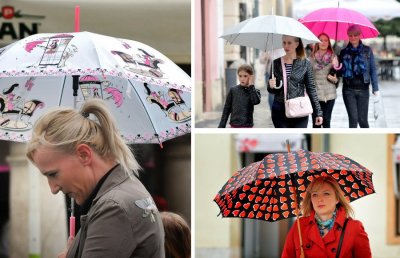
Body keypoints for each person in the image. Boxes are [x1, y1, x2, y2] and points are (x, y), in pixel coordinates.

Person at [26, 99, 165, 258]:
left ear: (84, 155)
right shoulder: (123, 192)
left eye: (53, 174)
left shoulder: (113, 208)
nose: (53, 189)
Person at [281, 176, 371, 258]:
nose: (319, 199)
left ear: (337, 199)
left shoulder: (354, 228)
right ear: (311, 200)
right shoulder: (299, 226)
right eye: (315, 195)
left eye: (326, 193)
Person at [268, 35, 323, 128]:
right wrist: (271, 86)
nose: (286, 46)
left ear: (297, 44)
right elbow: (272, 91)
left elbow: (311, 88)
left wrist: (318, 112)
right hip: (280, 110)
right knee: (284, 140)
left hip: (299, 109)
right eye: (284, 43)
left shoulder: (305, 63)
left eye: (289, 43)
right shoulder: (276, 63)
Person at [338, 24, 379, 128]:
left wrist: (375, 88)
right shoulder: (343, 52)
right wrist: (336, 65)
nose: (353, 38)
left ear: (360, 35)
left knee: (363, 121)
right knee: (353, 120)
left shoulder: (367, 50)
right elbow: (339, 71)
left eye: (355, 35)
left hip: (363, 90)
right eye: (350, 35)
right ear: (348, 36)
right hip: (348, 90)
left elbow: (373, 70)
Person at [309, 33, 341, 128]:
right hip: (315, 95)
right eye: (321, 40)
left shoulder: (333, 57)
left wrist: (335, 78)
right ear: (317, 42)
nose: (323, 42)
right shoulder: (311, 58)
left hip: (329, 95)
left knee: (326, 120)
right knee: (316, 122)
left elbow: (337, 79)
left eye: (326, 40)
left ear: (329, 43)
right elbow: (308, 77)